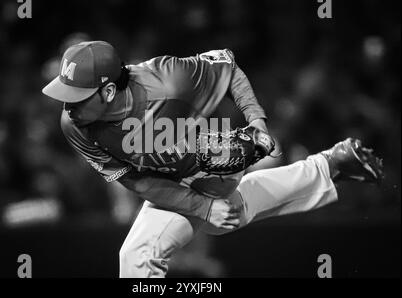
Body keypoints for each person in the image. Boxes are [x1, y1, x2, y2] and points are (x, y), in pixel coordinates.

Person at [42, 41, 384, 277]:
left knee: (148, 250)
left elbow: (228, 66)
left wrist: (257, 120)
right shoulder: (74, 124)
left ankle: (328, 166)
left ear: (107, 91)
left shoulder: (168, 78)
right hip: (161, 175)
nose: (67, 104)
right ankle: (330, 166)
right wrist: (202, 209)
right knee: (192, 230)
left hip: (206, 159)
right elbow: (138, 181)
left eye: (76, 96)